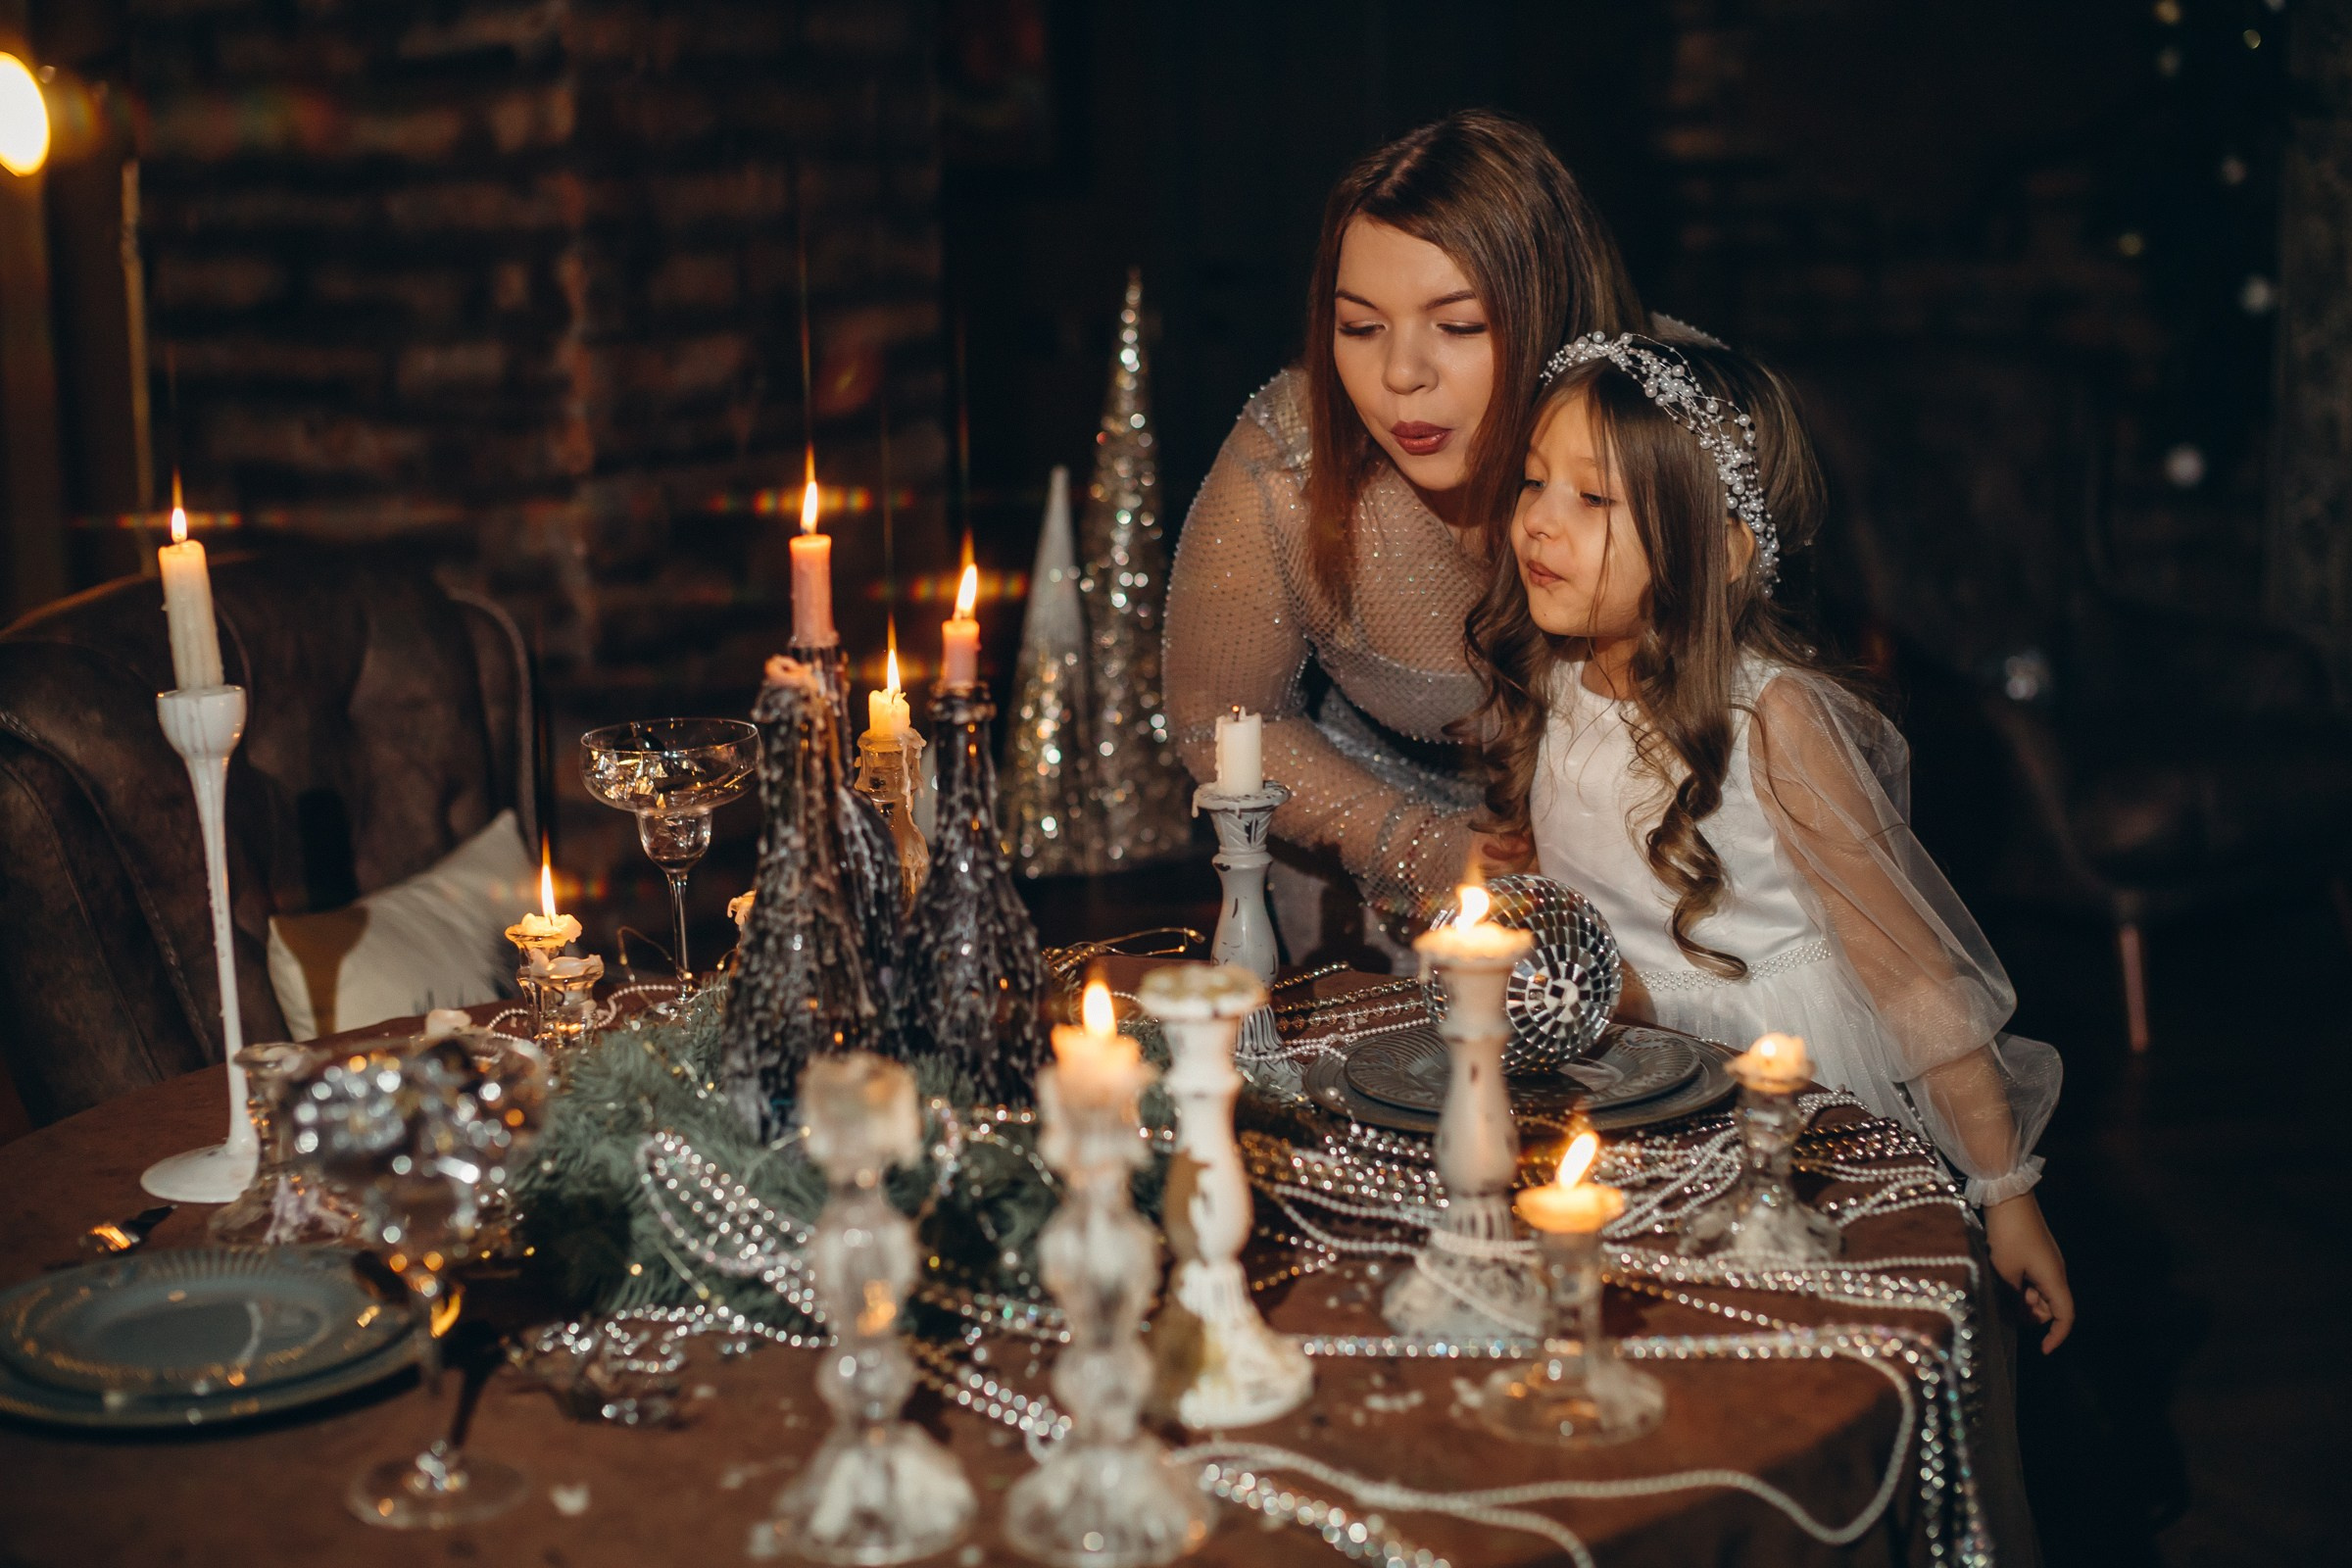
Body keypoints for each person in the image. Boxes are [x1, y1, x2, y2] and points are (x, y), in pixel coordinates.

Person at [1468, 329, 2076, 1350]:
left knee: (1774, 1328)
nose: (1538, 518)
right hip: (1615, 1075)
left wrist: (2005, 1186)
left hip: (1774, 1088)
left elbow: (1913, 972)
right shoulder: (1556, 675)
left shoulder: (1773, 719)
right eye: (1534, 480)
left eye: (1593, 497)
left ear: (1721, 551)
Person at [1163, 109, 1642, 969]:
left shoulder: (1663, 439)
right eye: (1360, 327)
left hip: (1645, 879)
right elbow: (1217, 719)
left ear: (1554, 313)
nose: (1399, 375)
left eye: (1458, 326)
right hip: (1368, 908)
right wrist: (1420, 847)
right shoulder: (1288, 464)